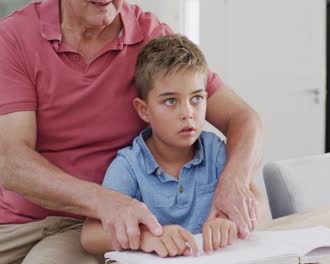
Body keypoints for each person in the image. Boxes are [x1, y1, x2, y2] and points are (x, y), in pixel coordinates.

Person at [0, 0, 263, 263]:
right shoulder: (16, 36)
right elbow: (12, 161)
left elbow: (244, 118)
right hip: (13, 221)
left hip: (92, 226)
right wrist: (105, 201)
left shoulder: (151, 38)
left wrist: (234, 183)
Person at [81, 34, 266, 257]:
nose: (187, 113)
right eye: (170, 101)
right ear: (144, 110)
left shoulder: (216, 151)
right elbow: (90, 235)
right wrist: (147, 237)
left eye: (196, 98)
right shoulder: (128, 166)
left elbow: (259, 204)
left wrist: (231, 221)